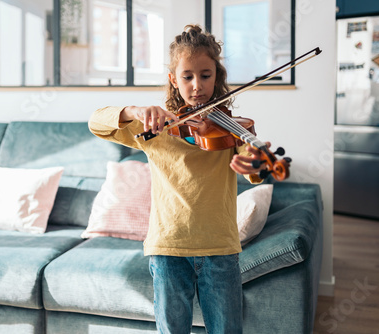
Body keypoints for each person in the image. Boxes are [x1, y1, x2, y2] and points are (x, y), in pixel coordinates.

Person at [89, 24, 268, 334]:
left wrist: (256, 161)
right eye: (187, 76)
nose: (197, 85)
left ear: (218, 76)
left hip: (220, 248)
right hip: (168, 248)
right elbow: (96, 123)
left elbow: (256, 175)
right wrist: (133, 110)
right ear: (174, 79)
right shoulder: (155, 130)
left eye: (205, 75)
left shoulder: (231, 131)